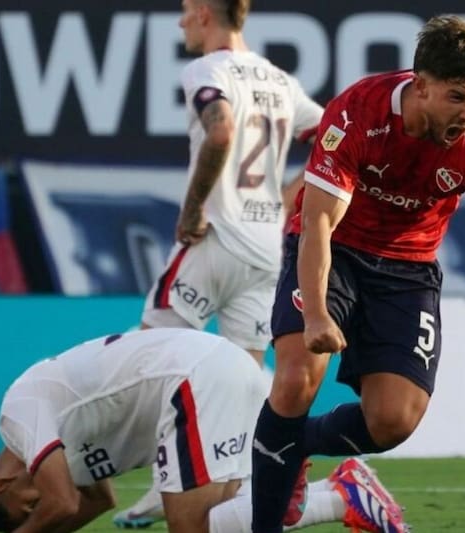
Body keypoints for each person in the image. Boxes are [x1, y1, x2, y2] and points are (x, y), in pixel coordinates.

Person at [250, 15, 465, 533]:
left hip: (408, 269)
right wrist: (320, 313)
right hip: (336, 250)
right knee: (297, 378)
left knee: (393, 422)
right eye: (459, 97)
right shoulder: (356, 112)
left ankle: (300, 443)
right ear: (421, 86)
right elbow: (318, 224)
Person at [115, 0, 324, 526]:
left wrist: (191, 210)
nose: (182, 20)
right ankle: (235, 491)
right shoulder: (280, 81)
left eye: (186, 9)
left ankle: (161, 487)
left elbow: (222, 131)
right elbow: (332, 138)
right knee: (238, 380)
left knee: (147, 359)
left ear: (207, 12)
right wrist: (290, 196)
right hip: (264, 249)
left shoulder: (208, 70)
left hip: (214, 237)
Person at [0, 328, 406, 533]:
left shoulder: (17, 414)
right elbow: (96, 499)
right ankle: (340, 495)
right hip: (215, 373)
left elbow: (58, 503)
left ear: (2, 483)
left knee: (189, 526)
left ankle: (323, 481)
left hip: (191, 379)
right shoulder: (55, 454)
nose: (38, 500)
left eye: (27, 506)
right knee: (230, 520)